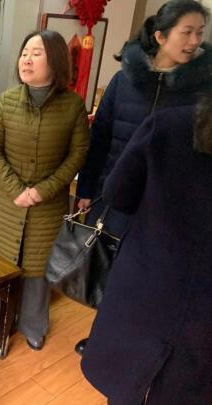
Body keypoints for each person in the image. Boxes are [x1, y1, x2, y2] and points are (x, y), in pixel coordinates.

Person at [74, 0, 211, 356]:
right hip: (116, 196)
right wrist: (86, 188)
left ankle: (137, 348)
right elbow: (100, 139)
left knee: (150, 280)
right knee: (109, 270)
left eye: (200, 33)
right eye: (187, 32)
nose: (195, 41)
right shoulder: (124, 80)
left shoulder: (203, 91)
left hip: (168, 206)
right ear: (160, 36)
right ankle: (102, 338)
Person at [82, 95, 212, 404]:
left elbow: (117, 193)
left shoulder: (170, 124)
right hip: (202, 320)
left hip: (146, 285)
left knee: (126, 385)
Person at [0, 30, 90, 351]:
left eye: (36, 53)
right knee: (2, 266)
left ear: (54, 61)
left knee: (38, 270)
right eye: (24, 53)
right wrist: (17, 189)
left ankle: (33, 325)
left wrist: (43, 190)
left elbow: (78, 154)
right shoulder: (7, 101)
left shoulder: (72, 105)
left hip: (48, 206)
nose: (26, 60)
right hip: (8, 203)